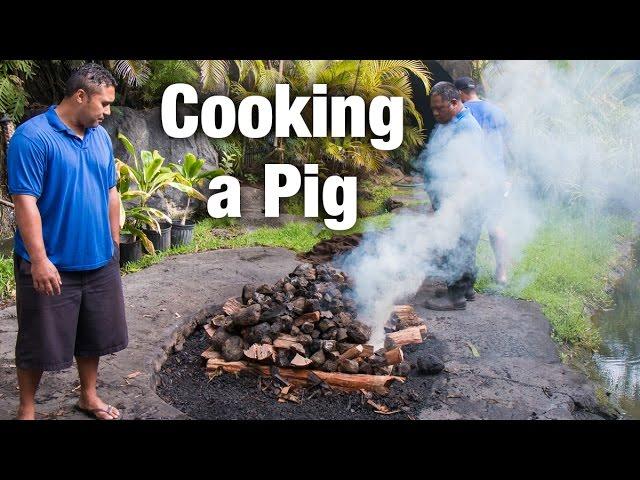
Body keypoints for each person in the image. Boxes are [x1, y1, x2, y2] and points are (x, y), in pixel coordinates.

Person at [7, 63, 127, 420]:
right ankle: (26, 410)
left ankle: (89, 396)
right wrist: (40, 259)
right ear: (80, 96)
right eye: (103, 104)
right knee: (37, 341)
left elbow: (112, 192)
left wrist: (114, 246)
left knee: (93, 336)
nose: (107, 112)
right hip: (51, 262)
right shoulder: (33, 138)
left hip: (98, 259)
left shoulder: (101, 138)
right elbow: (24, 202)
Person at [419, 81, 488, 310]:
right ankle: (465, 288)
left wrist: (452, 205)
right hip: (460, 198)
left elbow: (468, 173)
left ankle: (455, 297)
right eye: (433, 109)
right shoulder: (454, 122)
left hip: (464, 199)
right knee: (466, 243)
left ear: (455, 102)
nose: (436, 113)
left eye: (440, 108)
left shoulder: (466, 129)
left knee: (457, 244)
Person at [454, 76, 511, 284]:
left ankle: (466, 277)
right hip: (496, 176)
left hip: (474, 178)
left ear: (459, 93)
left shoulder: (461, 114)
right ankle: (502, 272)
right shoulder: (497, 111)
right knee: (496, 225)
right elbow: (506, 145)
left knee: (468, 228)